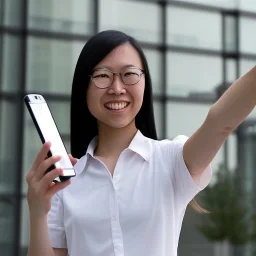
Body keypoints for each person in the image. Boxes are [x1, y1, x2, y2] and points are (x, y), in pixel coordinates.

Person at [26, 30, 256, 256]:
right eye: (102, 76)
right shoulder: (65, 182)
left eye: (129, 74)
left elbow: (219, 123)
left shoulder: (171, 160)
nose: (117, 88)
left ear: (145, 82)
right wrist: (37, 212)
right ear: (83, 88)